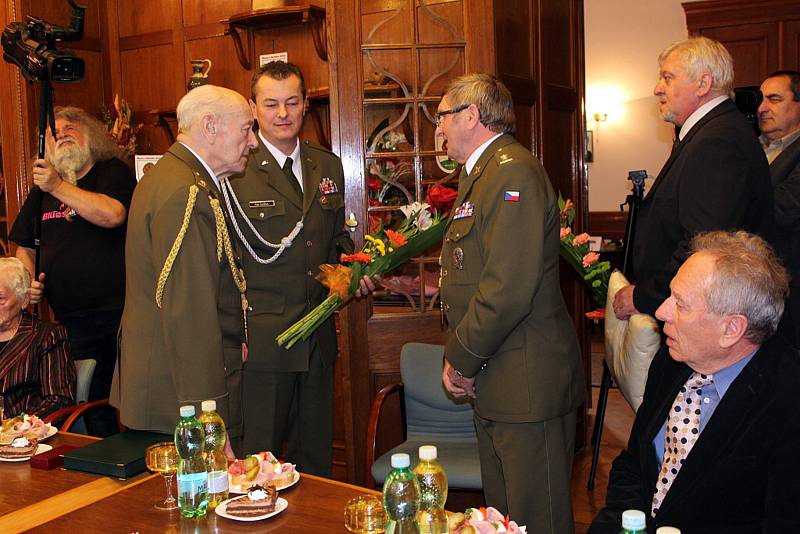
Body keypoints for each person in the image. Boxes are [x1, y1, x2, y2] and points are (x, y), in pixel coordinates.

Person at [437, 73, 584, 533]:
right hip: (500, 376)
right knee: (504, 519)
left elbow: (506, 289)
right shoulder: (485, 174)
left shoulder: (510, 172)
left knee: (536, 517)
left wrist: (460, 360)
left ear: (470, 116)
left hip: (525, 380)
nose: (437, 129)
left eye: (441, 117)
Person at [591, 231, 800, 533]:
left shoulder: (787, 401)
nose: (661, 311)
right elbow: (635, 464)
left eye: (681, 303)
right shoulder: (672, 362)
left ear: (731, 328)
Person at [222, 61, 357, 475]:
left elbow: (336, 239)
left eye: (292, 102)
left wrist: (353, 269)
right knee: (259, 462)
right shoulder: (235, 169)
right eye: (272, 104)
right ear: (253, 108)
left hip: (316, 339)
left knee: (315, 459)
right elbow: (224, 261)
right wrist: (231, 335)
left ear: (305, 106)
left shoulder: (327, 164)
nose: (283, 114)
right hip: (263, 344)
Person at [110, 85, 257, 444]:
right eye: (246, 129)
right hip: (179, 401)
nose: (253, 141)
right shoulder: (186, 193)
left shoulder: (175, 177)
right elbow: (189, 314)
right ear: (210, 126)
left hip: (165, 384)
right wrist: (209, 418)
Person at [613, 37, 773, 320]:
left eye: (667, 77)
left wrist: (643, 296)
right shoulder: (710, 133)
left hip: (706, 314)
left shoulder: (717, 141)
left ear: (703, 84)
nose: (657, 88)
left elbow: (703, 245)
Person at [9, 106, 136, 436]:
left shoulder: (111, 171)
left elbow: (113, 214)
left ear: (91, 136)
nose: (62, 134)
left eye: (70, 128)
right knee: (82, 403)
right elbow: (24, 245)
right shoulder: (42, 191)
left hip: (118, 315)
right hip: (66, 320)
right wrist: (25, 285)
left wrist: (57, 186)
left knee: (110, 403)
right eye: (55, 132)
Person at [0, 257, 75, 419]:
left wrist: (18, 426)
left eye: (0, 299)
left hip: (23, 436)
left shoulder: (47, 336)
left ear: (24, 300)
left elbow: (58, 400)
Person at [757, 70, 800, 348]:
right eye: (761, 99)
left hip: (789, 287)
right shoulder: (752, 148)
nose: (762, 108)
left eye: (774, 99)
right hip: (754, 285)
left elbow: (783, 207)